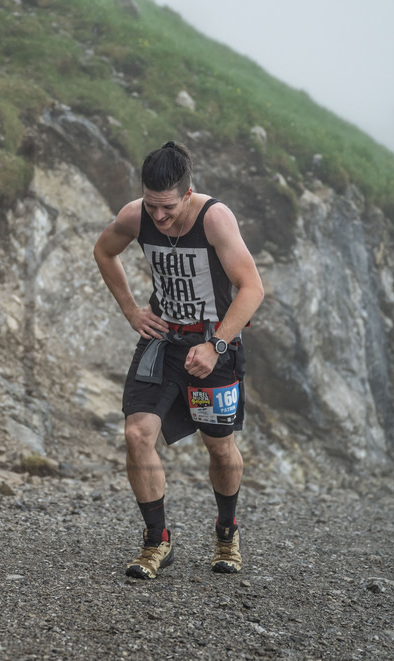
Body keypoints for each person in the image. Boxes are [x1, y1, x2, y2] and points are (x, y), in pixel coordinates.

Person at [93, 141, 264, 579]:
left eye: (167, 207)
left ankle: (226, 531)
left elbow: (252, 289)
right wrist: (131, 309)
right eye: (151, 205)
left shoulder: (215, 219)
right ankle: (157, 541)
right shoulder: (136, 215)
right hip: (162, 343)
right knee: (136, 433)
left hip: (213, 346)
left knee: (220, 448)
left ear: (188, 193)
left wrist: (216, 345)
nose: (158, 216)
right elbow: (104, 251)